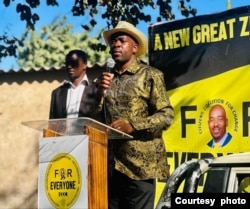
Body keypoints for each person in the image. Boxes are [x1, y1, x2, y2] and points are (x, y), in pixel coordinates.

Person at [97, 21, 174, 209]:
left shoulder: (150, 75)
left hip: (140, 168)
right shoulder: (107, 79)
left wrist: (133, 125)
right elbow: (96, 119)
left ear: (135, 47)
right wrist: (99, 93)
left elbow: (166, 115)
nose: (115, 45)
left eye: (121, 41)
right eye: (113, 42)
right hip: (111, 168)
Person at [49, 49, 100, 119]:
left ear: (84, 65)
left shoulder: (97, 89)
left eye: (73, 63)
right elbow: (52, 124)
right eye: (67, 64)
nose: (69, 66)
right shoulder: (57, 93)